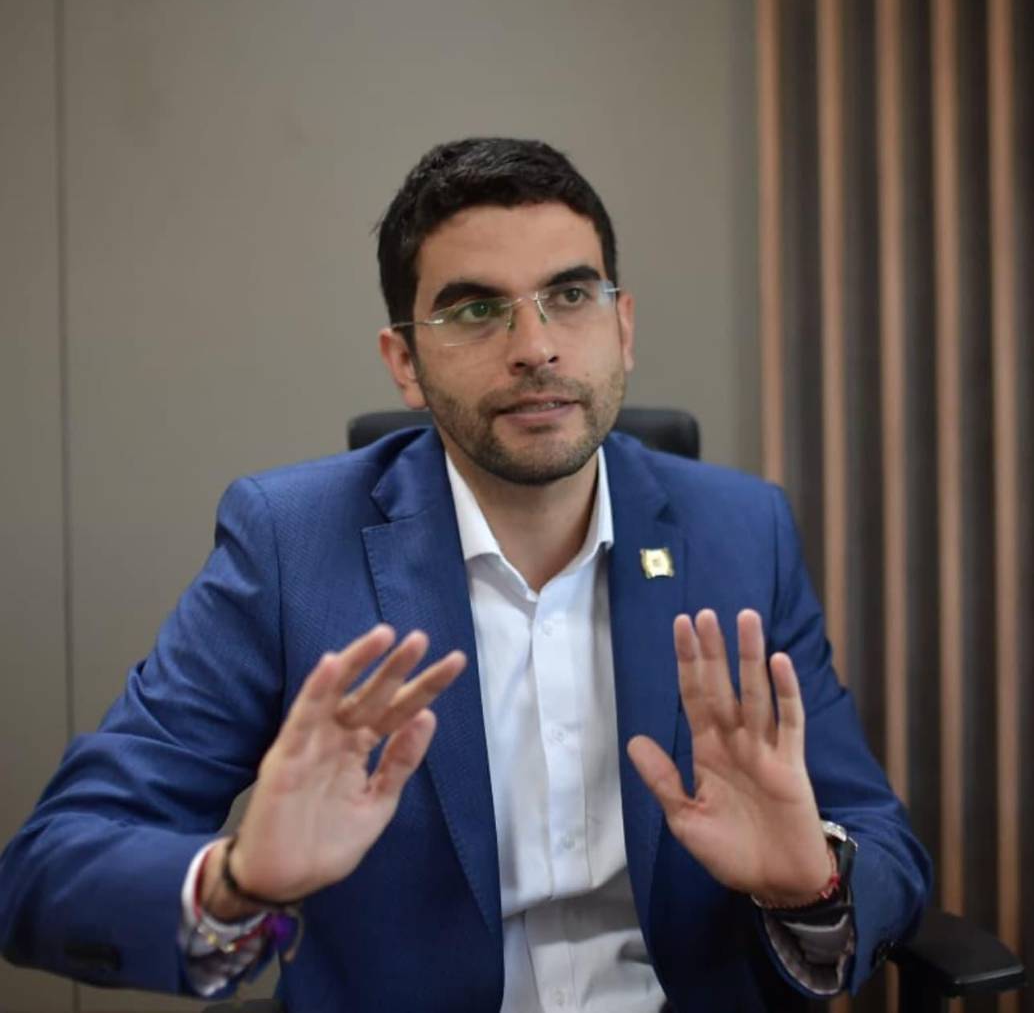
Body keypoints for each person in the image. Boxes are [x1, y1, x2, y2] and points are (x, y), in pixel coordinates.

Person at [0, 138, 930, 1012]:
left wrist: (813, 879)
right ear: (404, 360)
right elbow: (51, 865)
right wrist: (239, 880)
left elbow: (880, 842)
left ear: (624, 325)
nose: (535, 346)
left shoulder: (740, 531)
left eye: (571, 296)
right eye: (477, 309)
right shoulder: (291, 543)